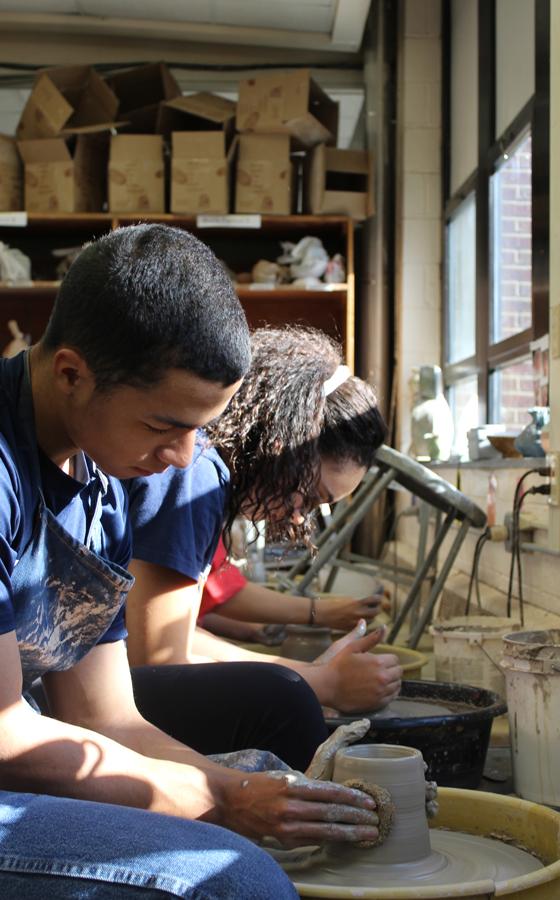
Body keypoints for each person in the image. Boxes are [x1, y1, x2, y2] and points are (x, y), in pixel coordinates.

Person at [0, 226, 378, 898]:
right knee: (237, 880)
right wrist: (222, 800)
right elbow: (9, 738)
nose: (183, 458)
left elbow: (104, 716)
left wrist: (241, 788)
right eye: (163, 426)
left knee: (281, 788)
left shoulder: (105, 482)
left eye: (200, 428)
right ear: (70, 373)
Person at [125, 327, 403, 730]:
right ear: (285, 439)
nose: (296, 517)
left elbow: (171, 639)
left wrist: (307, 672)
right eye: (308, 495)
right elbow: (158, 665)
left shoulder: (207, 470)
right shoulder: (195, 478)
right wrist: (321, 683)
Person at [198, 535, 385, 644]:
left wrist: (253, 629)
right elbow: (218, 591)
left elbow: (197, 605)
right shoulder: (197, 487)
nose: (300, 519)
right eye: (317, 496)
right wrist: (320, 612)